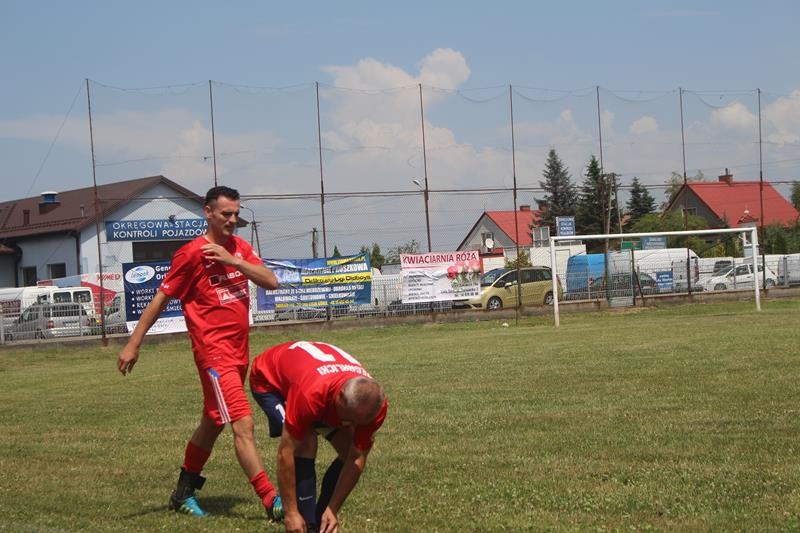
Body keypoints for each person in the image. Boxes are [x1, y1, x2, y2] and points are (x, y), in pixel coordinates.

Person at [116, 185, 283, 521]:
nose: (232, 220)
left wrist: (233, 260)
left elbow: (271, 281)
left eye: (236, 214)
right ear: (208, 213)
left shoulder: (239, 248)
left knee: (213, 421)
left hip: (239, 354)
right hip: (214, 356)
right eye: (226, 214)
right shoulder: (191, 254)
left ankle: (183, 493)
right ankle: (271, 499)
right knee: (243, 422)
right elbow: (161, 299)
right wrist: (134, 342)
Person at [249, 340, 387, 533]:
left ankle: (322, 519)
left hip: (314, 379)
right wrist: (291, 513)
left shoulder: (375, 407)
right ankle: (308, 523)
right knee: (306, 442)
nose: (348, 426)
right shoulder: (310, 395)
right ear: (340, 396)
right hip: (269, 380)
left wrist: (332, 509)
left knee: (348, 449)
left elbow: (356, 458)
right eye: (347, 419)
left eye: (357, 423)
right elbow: (286, 453)